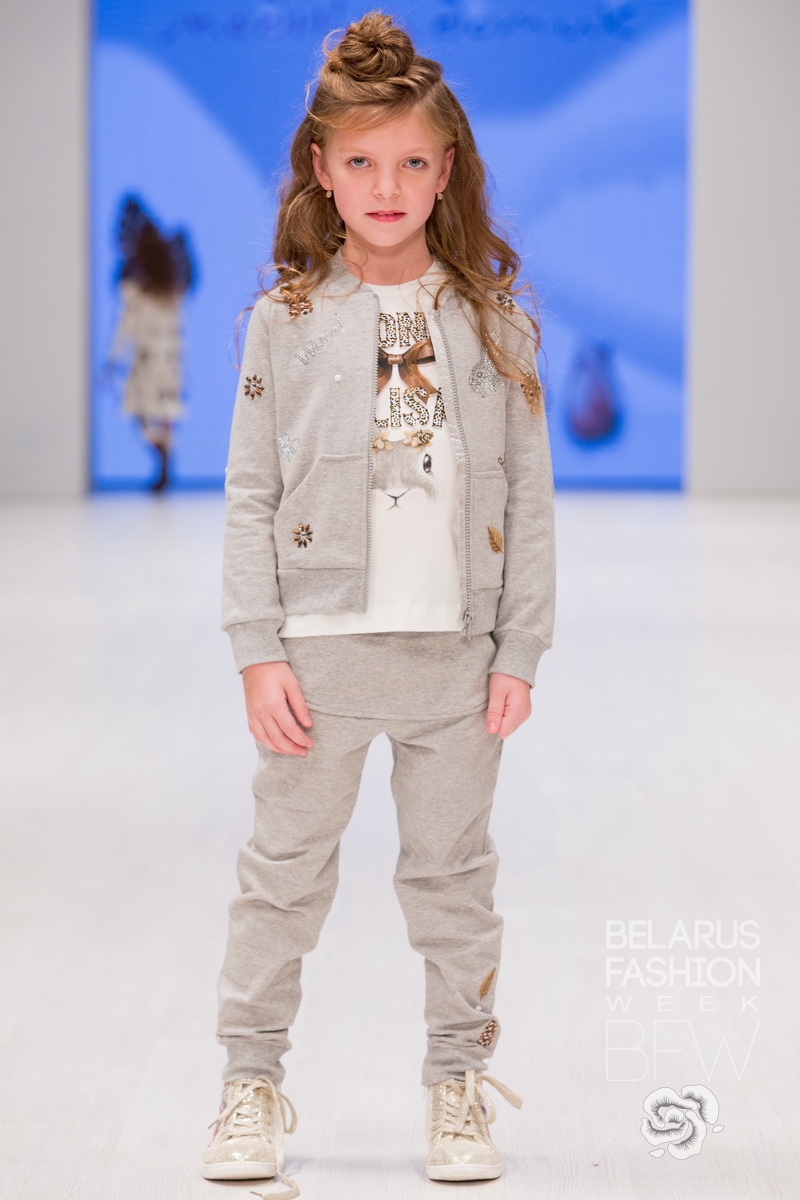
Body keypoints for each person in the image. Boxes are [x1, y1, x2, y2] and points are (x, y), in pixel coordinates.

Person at [202, 12, 556, 1197]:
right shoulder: (285, 322)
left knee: (452, 882)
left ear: (446, 170)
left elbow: (529, 499)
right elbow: (250, 490)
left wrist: (518, 647)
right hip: (318, 659)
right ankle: (248, 1081)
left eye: (410, 161)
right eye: (360, 162)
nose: (387, 186)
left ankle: (457, 1081)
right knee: (283, 876)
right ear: (321, 169)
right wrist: (256, 647)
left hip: (455, 661)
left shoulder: (496, 326)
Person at [107, 195, 195, 491]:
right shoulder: (172, 274)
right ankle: (165, 462)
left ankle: (163, 462)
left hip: (147, 355)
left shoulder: (134, 276)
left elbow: (126, 323)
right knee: (164, 409)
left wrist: (113, 359)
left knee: (141, 410)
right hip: (170, 353)